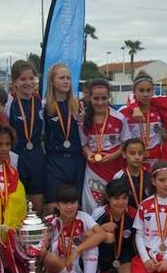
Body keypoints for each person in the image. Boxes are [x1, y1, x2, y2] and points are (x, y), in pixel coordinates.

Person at [39, 185, 112, 273]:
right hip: (62, 269)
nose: (69, 207)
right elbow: (42, 248)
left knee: (91, 237)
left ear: (78, 203)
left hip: (85, 266)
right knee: (48, 256)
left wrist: (76, 250)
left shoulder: (84, 217)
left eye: (73, 202)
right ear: (57, 205)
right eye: (65, 203)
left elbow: (102, 234)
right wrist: (46, 266)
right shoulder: (50, 222)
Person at [80, 79, 131, 213]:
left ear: (109, 97)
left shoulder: (119, 118)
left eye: (104, 98)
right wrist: (90, 154)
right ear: (89, 97)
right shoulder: (84, 119)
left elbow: (126, 144)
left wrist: (113, 155)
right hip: (94, 169)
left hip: (115, 167)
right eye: (96, 98)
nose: (100, 102)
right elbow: (83, 144)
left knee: (116, 203)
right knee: (93, 205)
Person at [43, 63, 86, 214]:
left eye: (68, 78)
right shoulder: (46, 106)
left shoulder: (78, 105)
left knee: (76, 205)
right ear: (52, 81)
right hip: (55, 160)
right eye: (61, 78)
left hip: (76, 160)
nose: (66, 81)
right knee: (53, 206)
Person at [5, 60, 46, 212]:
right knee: (17, 201)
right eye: (23, 79)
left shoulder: (41, 103)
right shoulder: (9, 103)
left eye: (31, 78)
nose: (28, 83)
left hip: (36, 154)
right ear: (14, 81)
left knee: (37, 204)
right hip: (16, 155)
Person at [91, 180, 137, 273]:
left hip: (124, 252)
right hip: (103, 252)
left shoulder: (134, 214)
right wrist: (101, 229)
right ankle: (105, 271)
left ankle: (117, 271)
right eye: (116, 198)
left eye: (124, 198)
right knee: (108, 236)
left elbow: (140, 239)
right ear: (108, 198)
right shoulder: (99, 213)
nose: (120, 202)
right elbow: (86, 236)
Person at [119, 70, 164, 168]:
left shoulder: (158, 110)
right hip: (132, 161)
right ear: (134, 91)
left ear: (153, 91)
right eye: (141, 90)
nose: (145, 94)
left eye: (148, 90)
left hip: (155, 160)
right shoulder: (124, 112)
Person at [113, 138, 151, 210]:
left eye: (140, 153)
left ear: (144, 154)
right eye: (132, 153)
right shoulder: (118, 177)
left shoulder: (150, 176)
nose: (137, 157)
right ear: (124, 154)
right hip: (128, 217)